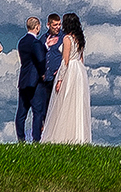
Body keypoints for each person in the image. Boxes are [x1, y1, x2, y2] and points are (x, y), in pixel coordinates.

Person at [39, 13, 91, 144]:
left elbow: (65, 60)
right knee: (77, 102)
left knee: (65, 100)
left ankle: (63, 135)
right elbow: (81, 58)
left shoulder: (67, 39)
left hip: (71, 69)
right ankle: (78, 135)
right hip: (79, 70)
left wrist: (60, 79)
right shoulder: (80, 39)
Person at [15, 16, 48, 142]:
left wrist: (44, 46)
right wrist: (43, 73)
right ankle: (36, 139)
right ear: (37, 27)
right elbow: (40, 59)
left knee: (21, 113)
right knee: (37, 111)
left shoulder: (22, 42)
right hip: (35, 81)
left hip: (23, 79)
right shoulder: (35, 43)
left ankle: (21, 138)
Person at [39, 13, 64, 133]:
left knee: (57, 104)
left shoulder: (64, 37)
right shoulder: (43, 39)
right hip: (45, 77)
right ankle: (44, 130)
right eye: (55, 25)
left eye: (59, 24)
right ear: (48, 24)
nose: (57, 27)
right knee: (44, 104)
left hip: (57, 75)